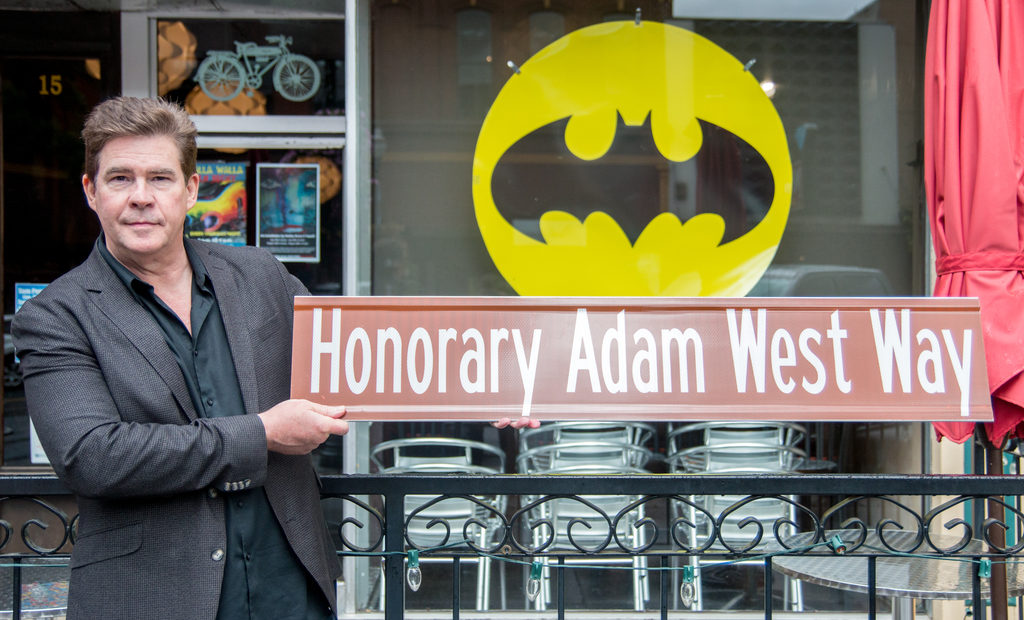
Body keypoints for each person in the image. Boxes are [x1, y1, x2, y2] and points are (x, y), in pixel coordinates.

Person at [12, 96, 349, 620]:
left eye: (160, 179)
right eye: (120, 178)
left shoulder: (260, 275)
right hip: (152, 598)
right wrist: (260, 433)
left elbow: (358, 358)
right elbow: (93, 456)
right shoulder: (56, 315)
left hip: (288, 586)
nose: (141, 197)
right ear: (90, 192)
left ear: (192, 189)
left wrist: (488, 390)